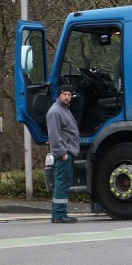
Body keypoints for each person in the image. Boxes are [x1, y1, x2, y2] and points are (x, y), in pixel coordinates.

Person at [46, 84, 80, 223]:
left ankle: (58, 214)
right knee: (62, 183)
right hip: (65, 153)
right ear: (59, 95)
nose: (67, 97)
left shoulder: (64, 110)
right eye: (64, 94)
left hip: (69, 151)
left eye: (69, 95)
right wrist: (62, 152)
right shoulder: (55, 112)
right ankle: (60, 214)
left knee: (64, 182)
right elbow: (54, 135)